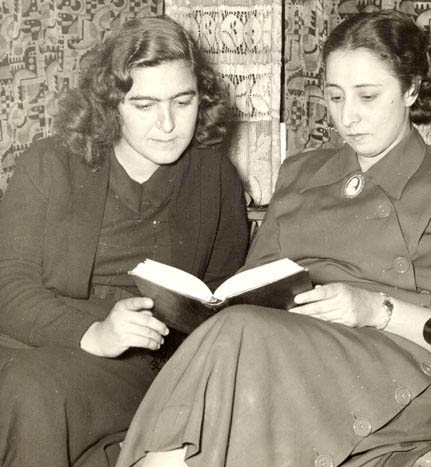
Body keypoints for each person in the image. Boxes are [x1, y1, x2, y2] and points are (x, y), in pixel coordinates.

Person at [117, 10, 431, 467]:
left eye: (368, 96)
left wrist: (373, 309)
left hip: (400, 364)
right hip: (287, 349)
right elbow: (254, 281)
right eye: (335, 96)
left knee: (239, 336)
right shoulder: (300, 172)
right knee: (234, 333)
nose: (348, 116)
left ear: (411, 89)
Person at [0, 15, 249, 467]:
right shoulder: (49, 163)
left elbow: (218, 295)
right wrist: (93, 333)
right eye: (144, 105)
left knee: (32, 389)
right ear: (111, 103)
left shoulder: (216, 177)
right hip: (37, 340)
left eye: (183, 101)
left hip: (141, 365)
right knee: (27, 385)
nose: (168, 124)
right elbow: (8, 285)